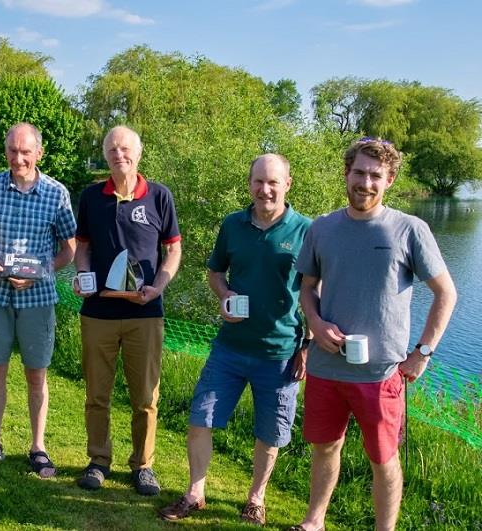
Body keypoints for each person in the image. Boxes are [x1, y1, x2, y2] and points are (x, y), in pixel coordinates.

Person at [290, 138, 457, 531]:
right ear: (347, 174)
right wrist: (314, 322)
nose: (366, 182)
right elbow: (307, 288)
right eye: (359, 173)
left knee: (383, 458)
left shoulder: (410, 229)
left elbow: (446, 293)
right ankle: (314, 521)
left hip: (381, 374)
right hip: (327, 367)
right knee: (325, 447)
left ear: (390, 179)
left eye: (375, 176)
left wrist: (422, 353)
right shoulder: (322, 228)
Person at [159, 154, 311, 525]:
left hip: (280, 353)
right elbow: (215, 272)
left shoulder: (306, 230)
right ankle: (195, 493)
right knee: (201, 417)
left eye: (273, 182)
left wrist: (306, 346)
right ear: (250, 184)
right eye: (259, 181)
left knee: (271, 432)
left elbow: (315, 292)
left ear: (288, 185)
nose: (266, 189)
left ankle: (255, 498)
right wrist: (224, 295)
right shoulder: (233, 225)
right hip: (229, 347)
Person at [0, 123, 76, 478]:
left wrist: (41, 272)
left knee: (36, 374)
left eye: (26, 151)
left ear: (39, 153)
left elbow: (69, 250)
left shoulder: (57, 194)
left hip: (38, 296)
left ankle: (38, 447)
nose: (18, 158)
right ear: (6, 151)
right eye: (13, 150)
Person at [74, 125, 182, 495]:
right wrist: (83, 274)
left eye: (125, 148)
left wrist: (160, 287)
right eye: (112, 149)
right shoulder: (91, 197)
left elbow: (173, 250)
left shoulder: (159, 196)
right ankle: (98, 460)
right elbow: (83, 246)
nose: (119, 154)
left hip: (145, 313)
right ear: (105, 155)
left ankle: (143, 465)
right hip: (98, 313)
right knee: (97, 394)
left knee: (145, 397)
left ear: (139, 152)